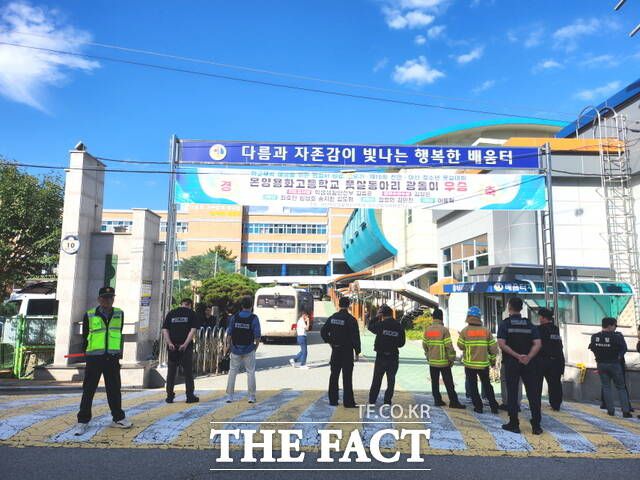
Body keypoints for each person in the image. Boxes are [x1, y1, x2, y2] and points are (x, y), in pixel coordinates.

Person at [75, 287, 132, 435]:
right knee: (89, 389)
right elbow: (85, 337)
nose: (108, 300)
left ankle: (118, 418)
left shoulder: (119, 313)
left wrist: (116, 354)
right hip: (94, 358)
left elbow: (118, 333)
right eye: (105, 297)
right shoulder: (89, 314)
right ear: (99, 299)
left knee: (114, 389)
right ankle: (83, 420)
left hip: (112, 358)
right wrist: (87, 354)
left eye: (111, 297)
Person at [497, 297, 543, 435]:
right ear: (521, 308)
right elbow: (538, 344)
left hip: (512, 362)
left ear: (509, 308)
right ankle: (536, 425)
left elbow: (501, 344)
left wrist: (517, 356)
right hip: (528, 363)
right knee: (533, 393)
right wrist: (528, 357)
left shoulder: (505, 324)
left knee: (512, 392)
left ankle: (514, 423)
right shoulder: (529, 324)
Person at [457, 306, 499, 414]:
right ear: (479, 317)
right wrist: (492, 361)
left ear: (468, 316)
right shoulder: (486, 331)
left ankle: (478, 407)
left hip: (470, 364)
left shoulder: (465, 331)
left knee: (473, 386)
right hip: (483, 364)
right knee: (487, 385)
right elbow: (493, 348)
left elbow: (460, 346)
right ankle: (494, 406)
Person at [321, 296, 361, 408]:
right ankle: (348, 402)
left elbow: (323, 331)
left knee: (334, 376)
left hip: (335, 350)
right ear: (349, 305)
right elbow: (355, 337)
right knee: (347, 377)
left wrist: (330, 341)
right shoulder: (351, 319)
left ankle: (333, 400)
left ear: (339, 305)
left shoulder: (332, 318)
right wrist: (357, 352)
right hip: (347, 352)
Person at [588, 317, 632, 418]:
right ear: (610, 326)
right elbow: (624, 349)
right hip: (614, 364)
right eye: (615, 325)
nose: (615, 327)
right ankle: (626, 411)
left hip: (601, 364)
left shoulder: (595, 337)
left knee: (606, 387)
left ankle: (610, 410)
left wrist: (599, 358)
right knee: (621, 387)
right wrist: (618, 357)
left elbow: (592, 348)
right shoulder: (617, 337)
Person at [423, 308, 465, 409]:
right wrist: (452, 359)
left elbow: (424, 345)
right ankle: (453, 402)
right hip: (444, 362)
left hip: (432, 362)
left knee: (434, 382)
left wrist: (428, 356)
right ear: (441, 317)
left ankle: (437, 400)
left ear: (433, 317)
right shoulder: (444, 330)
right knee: (449, 383)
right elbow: (449, 346)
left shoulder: (428, 330)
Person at [162, 298, 199, 404]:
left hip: (172, 347)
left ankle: (169, 396)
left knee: (171, 372)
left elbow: (165, 329)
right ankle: (190, 396)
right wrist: (185, 344)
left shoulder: (171, 313)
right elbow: (192, 330)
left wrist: (169, 343)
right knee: (188, 372)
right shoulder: (192, 314)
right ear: (190, 305)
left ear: (181, 304)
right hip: (185, 348)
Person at [225, 296, 261, 403]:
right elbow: (257, 336)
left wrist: (228, 346)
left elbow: (229, 334)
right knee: (250, 372)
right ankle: (251, 397)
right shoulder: (254, 318)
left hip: (235, 349)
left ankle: (230, 396)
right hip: (249, 349)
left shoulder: (235, 317)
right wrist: (255, 347)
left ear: (241, 306)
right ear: (251, 306)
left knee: (232, 372)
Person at [367, 304, 405, 405]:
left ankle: (372, 400)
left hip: (381, 357)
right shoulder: (398, 326)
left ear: (382, 315)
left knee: (377, 379)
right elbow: (402, 343)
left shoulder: (381, 325)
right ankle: (387, 401)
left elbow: (369, 326)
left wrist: (376, 317)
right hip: (393, 357)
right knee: (391, 380)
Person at [537, 308, 565, 411]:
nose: (539, 319)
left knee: (537, 384)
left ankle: (536, 404)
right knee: (555, 384)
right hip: (556, 361)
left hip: (542, 360)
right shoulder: (555, 329)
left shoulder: (539, 329)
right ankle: (556, 404)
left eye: (540, 317)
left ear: (544, 318)